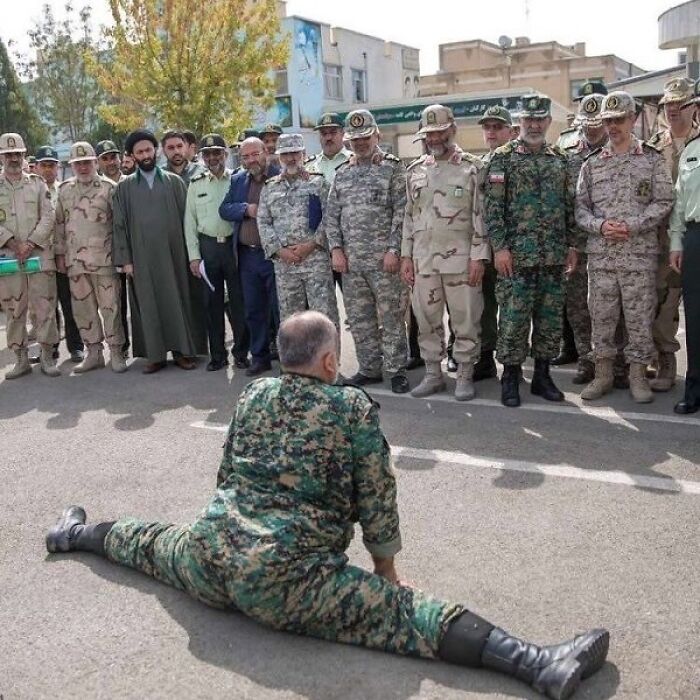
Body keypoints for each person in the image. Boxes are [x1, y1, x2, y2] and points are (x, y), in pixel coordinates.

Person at [46, 310, 610, 700]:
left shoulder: (253, 391)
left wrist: (226, 523)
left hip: (211, 555)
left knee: (147, 542)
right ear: (327, 362)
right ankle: (539, 664)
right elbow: (377, 495)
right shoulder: (351, 409)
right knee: (406, 617)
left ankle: (72, 533)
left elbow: (226, 471)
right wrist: (385, 568)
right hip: (285, 577)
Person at [576, 91, 674, 404]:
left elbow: (664, 201)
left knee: (639, 319)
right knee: (601, 318)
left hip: (639, 256)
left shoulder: (652, 158)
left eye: (619, 119)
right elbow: (580, 208)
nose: (613, 126)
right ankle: (603, 375)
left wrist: (635, 225)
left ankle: (636, 376)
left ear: (632, 119)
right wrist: (601, 226)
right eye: (608, 120)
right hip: (602, 257)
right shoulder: (591, 165)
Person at [484, 95, 578, 408]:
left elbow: (569, 206)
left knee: (549, 320)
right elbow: (493, 209)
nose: (534, 125)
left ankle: (542, 376)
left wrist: (572, 245)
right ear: (519, 123)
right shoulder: (503, 157)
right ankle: (510, 376)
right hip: (517, 258)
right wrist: (500, 248)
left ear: (549, 122)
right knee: (513, 319)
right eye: (528, 120)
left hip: (552, 256)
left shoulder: (560, 158)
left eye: (540, 120)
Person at [401, 105, 489, 401]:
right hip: (424, 260)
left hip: (461, 260)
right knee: (426, 320)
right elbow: (408, 217)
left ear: (452, 129)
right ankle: (433, 374)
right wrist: (405, 256)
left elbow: (482, 215)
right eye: (429, 133)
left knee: (465, 319)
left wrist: (479, 255)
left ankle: (464, 374)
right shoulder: (415, 171)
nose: (434, 138)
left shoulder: (472, 167)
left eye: (439, 131)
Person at [326, 109, 410, 394]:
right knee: (360, 320)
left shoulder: (393, 168)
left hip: (384, 261)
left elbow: (402, 211)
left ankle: (396, 369)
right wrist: (336, 250)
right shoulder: (343, 173)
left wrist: (393, 250)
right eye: (354, 139)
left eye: (365, 137)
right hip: (352, 263)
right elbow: (331, 215)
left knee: (392, 317)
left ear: (377, 135)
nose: (360, 143)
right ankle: (370, 368)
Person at [112, 129, 207, 373]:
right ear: (132, 156)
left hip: (175, 255)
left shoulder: (174, 183)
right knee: (148, 303)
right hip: (142, 259)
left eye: (148, 150)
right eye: (139, 152)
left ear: (156, 151)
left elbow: (189, 221)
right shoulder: (125, 188)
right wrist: (126, 261)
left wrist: (192, 254)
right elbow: (119, 226)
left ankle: (183, 352)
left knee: (179, 299)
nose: (145, 155)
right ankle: (154, 356)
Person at [646, 77, 700, 392]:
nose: (673, 111)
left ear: (693, 107)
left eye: (680, 105)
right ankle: (662, 358)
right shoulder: (653, 148)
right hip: (660, 238)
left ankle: (680, 363)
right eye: (668, 105)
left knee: (686, 304)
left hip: (693, 234)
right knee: (660, 300)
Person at [54, 142, 126, 373]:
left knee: (110, 308)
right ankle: (94, 352)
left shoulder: (109, 188)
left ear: (95, 162)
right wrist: (59, 255)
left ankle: (116, 351)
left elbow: (119, 226)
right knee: (83, 310)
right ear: (72, 165)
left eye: (87, 162)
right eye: (78, 164)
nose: (83, 167)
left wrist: (122, 257)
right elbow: (59, 225)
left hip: (104, 260)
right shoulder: (64, 190)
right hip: (75, 262)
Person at [257, 133, 339, 329]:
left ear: (304, 153)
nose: (291, 158)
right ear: (279, 157)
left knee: (324, 317)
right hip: (285, 266)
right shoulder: (270, 187)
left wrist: (310, 245)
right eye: (285, 154)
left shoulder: (318, 183)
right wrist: (279, 250)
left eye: (295, 153)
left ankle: (330, 359)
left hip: (315, 262)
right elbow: (263, 221)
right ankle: (295, 361)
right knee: (291, 321)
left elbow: (330, 216)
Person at [184, 133, 250, 372]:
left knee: (238, 303)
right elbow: (189, 223)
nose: (213, 158)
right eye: (208, 154)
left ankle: (241, 353)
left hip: (233, 247)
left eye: (217, 153)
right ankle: (218, 356)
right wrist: (194, 256)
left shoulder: (237, 180)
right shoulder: (195, 183)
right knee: (212, 304)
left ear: (225, 154)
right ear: (202, 157)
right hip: (208, 248)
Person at [558, 93, 609, 385]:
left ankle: (613, 361)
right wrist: (568, 243)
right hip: (578, 244)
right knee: (578, 306)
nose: (592, 130)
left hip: (608, 244)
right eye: (587, 124)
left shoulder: (618, 153)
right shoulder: (571, 155)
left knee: (609, 306)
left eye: (597, 124)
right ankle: (586, 359)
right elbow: (565, 204)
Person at [219, 137, 281, 376]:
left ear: (265, 152)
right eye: (245, 156)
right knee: (253, 310)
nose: (251, 160)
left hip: (274, 255)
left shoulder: (279, 175)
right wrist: (246, 209)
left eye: (255, 154)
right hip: (248, 257)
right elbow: (224, 209)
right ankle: (260, 357)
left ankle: (288, 359)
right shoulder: (237, 180)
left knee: (280, 310)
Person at [0, 132, 60, 378]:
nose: (13, 158)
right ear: (2, 157)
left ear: (24, 155)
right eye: (8, 154)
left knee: (44, 307)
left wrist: (31, 242)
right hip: (8, 258)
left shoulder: (37, 184)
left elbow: (48, 216)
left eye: (17, 154)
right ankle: (20, 359)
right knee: (14, 311)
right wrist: (12, 242)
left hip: (38, 256)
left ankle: (47, 357)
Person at [35, 144, 84, 364]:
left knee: (69, 303)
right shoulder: (32, 190)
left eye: (51, 166)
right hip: (40, 256)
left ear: (58, 167)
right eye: (43, 165)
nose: (48, 170)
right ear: (36, 167)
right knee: (46, 307)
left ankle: (76, 347)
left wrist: (65, 253)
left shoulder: (64, 190)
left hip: (64, 256)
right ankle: (50, 348)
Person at [669, 81, 700, 414]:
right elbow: (679, 204)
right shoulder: (692, 150)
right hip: (696, 238)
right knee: (695, 318)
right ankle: (694, 388)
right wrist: (676, 242)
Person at [96, 139, 131, 358]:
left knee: (139, 302)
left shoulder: (131, 182)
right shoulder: (96, 186)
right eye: (105, 158)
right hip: (108, 254)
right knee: (116, 305)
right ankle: (122, 347)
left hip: (134, 250)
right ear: (98, 162)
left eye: (113, 157)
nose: (111, 162)